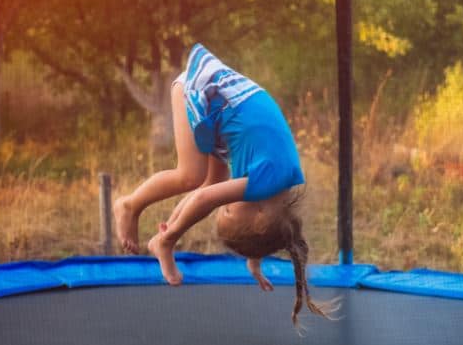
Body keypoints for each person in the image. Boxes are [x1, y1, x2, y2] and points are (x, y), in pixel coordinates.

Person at [113, 43, 332, 328]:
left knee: (210, 180)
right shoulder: (265, 183)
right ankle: (130, 205)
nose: (225, 205)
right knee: (190, 176)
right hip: (205, 90)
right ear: (259, 219)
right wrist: (170, 239)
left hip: (224, 115)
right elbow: (204, 198)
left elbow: (212, 200)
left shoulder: (278, 188)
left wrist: (255, 259)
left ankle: (156, 232)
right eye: (228, 211)